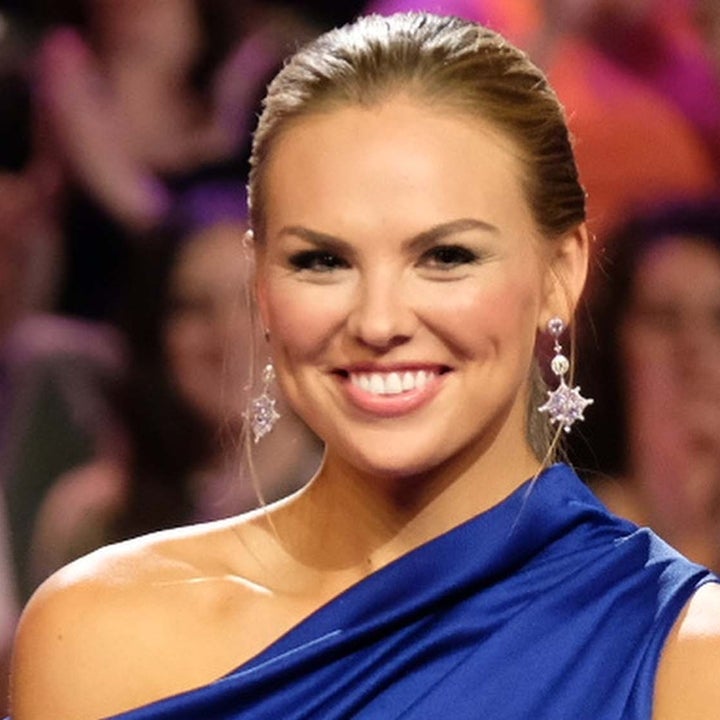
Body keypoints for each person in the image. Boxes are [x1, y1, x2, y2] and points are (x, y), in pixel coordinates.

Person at [8, 12, 720, 720]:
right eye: (322, 261)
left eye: (446, 256)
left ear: (561, 273)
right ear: (261, 285)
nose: (378, 323)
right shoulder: (97, 635)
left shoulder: (686, 657)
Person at [26, 213, 321, 591]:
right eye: (195, 306)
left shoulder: (364, 506)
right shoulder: (96, 522)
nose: (228, 332)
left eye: (252, 302)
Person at [569, 198, 720, 573]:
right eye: (664, 318)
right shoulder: (566, 524)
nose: (693, 346)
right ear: (613, 344)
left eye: (719, 320)